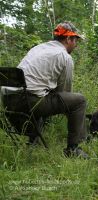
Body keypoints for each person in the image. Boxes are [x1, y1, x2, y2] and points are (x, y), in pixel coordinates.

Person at [2, 22, 89, 159]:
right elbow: (65, 93)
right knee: (79, 101)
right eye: (75, 40)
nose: (76, 44)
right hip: (28, 102)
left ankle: (33, 142)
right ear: (68, 39)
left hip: (8, 100)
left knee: (42, 94)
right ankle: (73, 149)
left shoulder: (38, 48)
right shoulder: (64, 56)